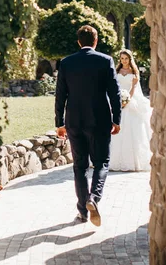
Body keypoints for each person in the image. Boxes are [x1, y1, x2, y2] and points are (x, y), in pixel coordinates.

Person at [55, 25, 122, 227]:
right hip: (99, 119)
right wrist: (116, 119)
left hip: (74, 120)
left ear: (78, 42)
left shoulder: (66, 63)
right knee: (101, 162)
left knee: (80, 166)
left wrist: (60, 123)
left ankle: (83, 211)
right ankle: (94, 198)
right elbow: (115, 93)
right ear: (96, 41)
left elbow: (60, 95)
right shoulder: (105, 60)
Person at [109, 49, 153, 172]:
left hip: (130, 100)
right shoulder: (116, 71)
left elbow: (134, 88)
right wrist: (118, 100)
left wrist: (127, 100)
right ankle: (113, 159)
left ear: (130, 59)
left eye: (126, 58)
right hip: (118, 100)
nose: (124, 61)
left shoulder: (134, 72)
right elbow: (114, 86)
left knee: (131, 127)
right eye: (122, 58)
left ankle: (132, 161)